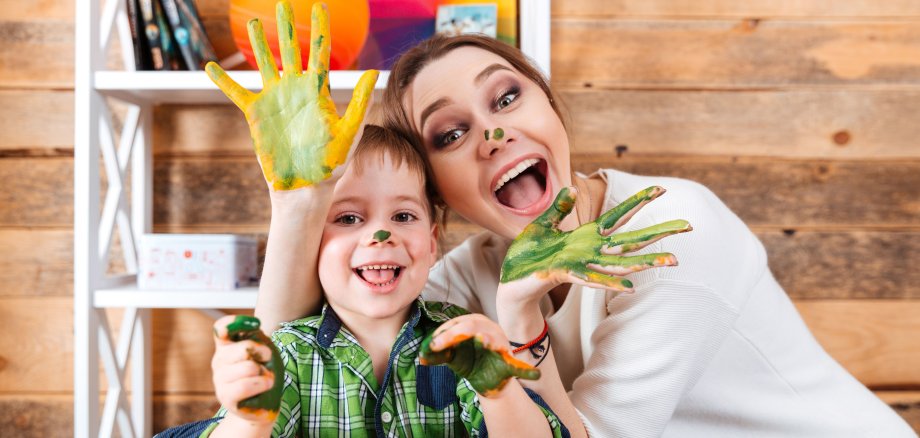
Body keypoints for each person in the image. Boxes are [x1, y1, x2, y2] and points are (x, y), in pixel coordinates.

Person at [260, 33, 917, 437]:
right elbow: (310, 347)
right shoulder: (472, 269)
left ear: (550, 106)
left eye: (508, 97)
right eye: (450, 133)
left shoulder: (673, 233)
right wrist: (297, 206)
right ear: (437, 195)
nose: (493, 134)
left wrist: (521, 320)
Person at [200, 124, 571, 437]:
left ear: (430, 244)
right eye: (348, 219)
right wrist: (247, 421)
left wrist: (499, 392)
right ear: (311, 243)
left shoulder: (462, 344)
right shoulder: (288, 356)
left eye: (403, 216)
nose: (380, 234)